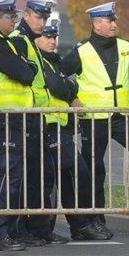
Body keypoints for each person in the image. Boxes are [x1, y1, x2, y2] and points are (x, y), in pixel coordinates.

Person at [57, 1, 129, 241]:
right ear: (97, 24)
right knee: (94, 171)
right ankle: (95, 220)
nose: (114, 24)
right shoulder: (81, 50)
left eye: (114, 20)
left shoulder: (126, 47)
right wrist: (72, 97)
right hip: (93, 120)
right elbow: (58, 76)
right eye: (110, 20)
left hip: (123, 116)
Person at [0, 0, 37, 251]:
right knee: (5, 176)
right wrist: (27, 67)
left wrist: (27, 66)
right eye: (10, 17)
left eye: (14, 16)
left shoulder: (7, 42)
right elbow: (25, 73)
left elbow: (28, 69)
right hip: (4, 117)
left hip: (14, 117)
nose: (14, 21)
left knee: (10, 175)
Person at [12, 0, 72, 246]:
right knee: (28, 180)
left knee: (42, 179)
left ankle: (41, 228)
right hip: (24, 119)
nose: (42, 22)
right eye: (39, 17)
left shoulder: (30, 41)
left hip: (39, 121)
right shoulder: (19, 40)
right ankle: (28, 228)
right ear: (26, 15)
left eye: (45, 18)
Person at [27, 17, 93, 242]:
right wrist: (71, 93)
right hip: (48, 127)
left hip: (59, 127)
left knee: (65, 177)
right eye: (46, 36)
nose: (52, 41)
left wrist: (70, 90)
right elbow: (57, 85)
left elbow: (67, 84)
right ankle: (51, 228)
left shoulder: (55, 61)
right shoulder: (39, 61)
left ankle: (76, 225)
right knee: (68, 174)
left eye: (54, 36)